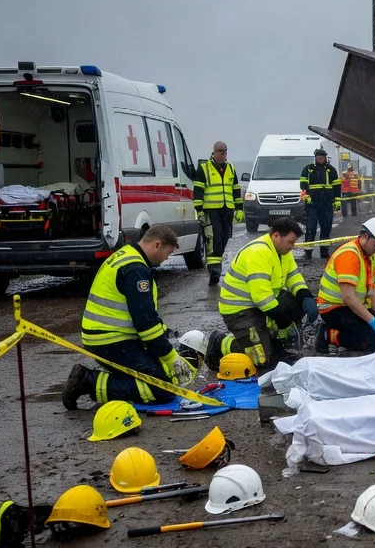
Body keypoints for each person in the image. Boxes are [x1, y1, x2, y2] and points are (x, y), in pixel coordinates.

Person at [63, 226, 182, 408]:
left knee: (155, 374)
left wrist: (164, 336)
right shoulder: (136, 270)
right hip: (113, 342)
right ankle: (88, 381)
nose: (167, 258)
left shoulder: (125, 255)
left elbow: (143, 316)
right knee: (163, 389)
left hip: (106, 337)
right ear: (157, 245)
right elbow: (146, 325)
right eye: (168, 252)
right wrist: (170, 357)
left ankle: (112, 379)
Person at [217, 217, 319, 372]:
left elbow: (293, 277)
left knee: (297, 303)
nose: (293, 247)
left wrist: (306, 296)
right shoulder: (259, 252)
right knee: (262, 359)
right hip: (240, 312)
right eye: (290, 242)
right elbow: (260, 295)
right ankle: (222, 343)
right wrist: (279, 317)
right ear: (276, 235)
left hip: (262, 304)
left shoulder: (282, 251)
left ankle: (276, 343)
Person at [315, 218, 375, 354]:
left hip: (351, 307)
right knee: (372, 341)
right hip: (333, 309)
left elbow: (373, 292)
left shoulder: (370, 256)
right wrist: (372, 321)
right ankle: (328, 334)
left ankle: (339, 334)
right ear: (364, 237)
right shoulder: (349, 255)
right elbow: (348, 297)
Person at [193, 141, 242, 285]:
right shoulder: (204, 168)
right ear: (214, 152)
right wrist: (199, 211)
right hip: (211, 210)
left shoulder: (231, 168)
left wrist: (239, 208)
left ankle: (216, 262)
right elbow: (198, 192)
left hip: (227, 209)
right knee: (214, 238)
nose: (223, 154)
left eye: (225, 152)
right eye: (221, 152)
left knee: (225, 237)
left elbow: (236, 189)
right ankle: (214, 269)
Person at [300, 148, 340, 260]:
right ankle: (308, 253)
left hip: (327, 204)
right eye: (318, 157)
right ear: (315, 158)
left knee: (326, 228)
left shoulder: (331, 170)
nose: (320, 159)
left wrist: (337, 201)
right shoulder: (308, 169)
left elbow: (337, 187)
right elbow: (303, 185)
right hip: (312, 204)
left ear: (325, 158)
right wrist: (306, 196)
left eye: (322, 157)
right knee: (310, 228)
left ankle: (324, 253)